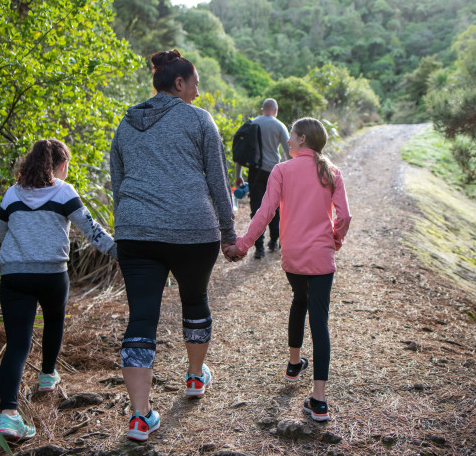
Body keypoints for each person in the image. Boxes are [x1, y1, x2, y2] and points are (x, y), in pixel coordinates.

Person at [110, 49, 236, 442]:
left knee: (141, 317)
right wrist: (229, 232)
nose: (198, 93)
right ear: (178, 83)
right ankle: (196, 378)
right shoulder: (199, 119)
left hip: (135, 231)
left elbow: (118, 179)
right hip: (193, 230)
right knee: (195, 300)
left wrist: (134, 217)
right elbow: (218, 179)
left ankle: (139, 416)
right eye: (195, 84)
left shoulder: (126, 122)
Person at [225, 118, 351, 422]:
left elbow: (265, 212)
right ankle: (319, 401)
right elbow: (345, 216)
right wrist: (334, 241)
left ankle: (294, 365)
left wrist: (242, 245)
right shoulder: (331, 172)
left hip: (293, 257)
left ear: (303, 139)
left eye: (292, 136)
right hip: (321, 257)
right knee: (319, 321)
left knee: (299, 300)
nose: (289, 141)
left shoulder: (282, 170)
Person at [0, 139, 117, 441]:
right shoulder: (65, 191)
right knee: (53, 322)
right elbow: (93, 233)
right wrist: (125, 252)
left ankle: (8, 415)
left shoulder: (12, 194)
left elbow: (0, 234)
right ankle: (47, 376)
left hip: (15, 275)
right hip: (51, 274)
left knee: (17, 344)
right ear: (61, 166)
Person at [234, 98, 290, 258]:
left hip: (255, 171)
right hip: (274, 172)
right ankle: (273, 240)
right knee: (275, 207)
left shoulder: (252, 123)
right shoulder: (280, 126)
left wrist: (238, 175)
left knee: (257, 208)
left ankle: (259, 248)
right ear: (276, 111)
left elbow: (241, 151)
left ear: (262, 110)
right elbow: (289, 154)